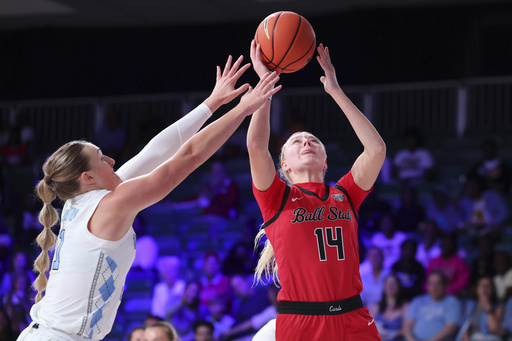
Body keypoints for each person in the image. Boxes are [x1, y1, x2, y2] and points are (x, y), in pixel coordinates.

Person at [17, 55, 281, 340]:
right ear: (88, 178)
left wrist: (211, 103)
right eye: (101, 158)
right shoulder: (111, 204)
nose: (111, 159)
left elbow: (154, 152)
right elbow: (189, 157)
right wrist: (242, 110)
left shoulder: (80, 200)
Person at [248, 41, 386, 340]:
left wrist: (335, 91)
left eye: (313, 140)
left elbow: (375, 149)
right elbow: (257, 145)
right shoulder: (276, 197)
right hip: (302, 321)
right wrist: (265, 88)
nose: (306, 142)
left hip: (353, 316)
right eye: (296, 142)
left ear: (325, 161)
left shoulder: (346, 193)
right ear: (283, 164)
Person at [403, 270, 462, 341]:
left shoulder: (452, 302)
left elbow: (451, 327)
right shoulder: (418, 300)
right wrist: (410, 339)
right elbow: (407, 324)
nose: (434, 287)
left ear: (444, 285)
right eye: (431, 284)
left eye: (438, 284)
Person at [460, 275, 505, 341]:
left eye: (488, 286)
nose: (484, 288)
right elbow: (464, 331)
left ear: (492, 289)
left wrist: (488, 309)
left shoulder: (498, 307)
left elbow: (494, 328)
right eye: (481, 285)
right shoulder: (471, 307)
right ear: (477, 289)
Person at [370, 273, 409, 341]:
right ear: (384, 287)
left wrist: (392, 333)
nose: (391, 286)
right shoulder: (376, 306)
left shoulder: (405, 306)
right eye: (388, 284)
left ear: (398, 286)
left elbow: (407, 330)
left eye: (394, 284)